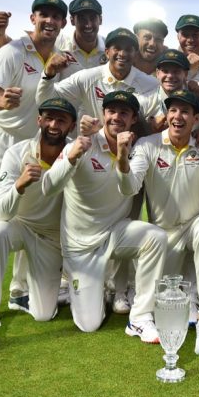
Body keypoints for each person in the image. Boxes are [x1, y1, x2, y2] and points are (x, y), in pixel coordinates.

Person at [0, 0, 68, 326]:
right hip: (1, 142)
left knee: (32, 217)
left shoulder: (58, 57)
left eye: (56, 16)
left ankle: (19, 290)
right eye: (44, 14)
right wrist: (1, 102)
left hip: (35, 145)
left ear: (62, 23)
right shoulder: (12, 52)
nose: (49, 21)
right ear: (33, 18)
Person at [41, 91, 166, 340]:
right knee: (89, 324)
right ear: (103, 114)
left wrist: (122, 157)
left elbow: (129, 189)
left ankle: (140, 318)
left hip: (114, 234)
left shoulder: (136, 150)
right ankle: (83, 285)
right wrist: (71, 157)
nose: (116, 117)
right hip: (80, 246)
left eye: (124, 113)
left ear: (133, 119)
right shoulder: (81, 144)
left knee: (155, 238)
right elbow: (48, 187)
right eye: (111, 111)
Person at [115, 90, 199, 355]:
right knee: (167, 309)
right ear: (167, 115)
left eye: (185, 112)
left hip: (196, 224)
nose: (178, 116)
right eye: (173, 110)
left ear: (196, 119)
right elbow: (129, 187)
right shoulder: (147, 145)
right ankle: (182, 298)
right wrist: (122, 158)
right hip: (164, 235)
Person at [0, 98, 77, 357]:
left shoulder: (76, 154)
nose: (53, 124)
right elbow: (1, 212)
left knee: (44, 314)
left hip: (50, 239)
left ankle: (28, 297)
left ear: (71, 126)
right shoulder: (16, 153)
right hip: (20, 226)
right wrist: (20, 185)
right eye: (48, 118)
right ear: (39, 120)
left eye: (61, 120)